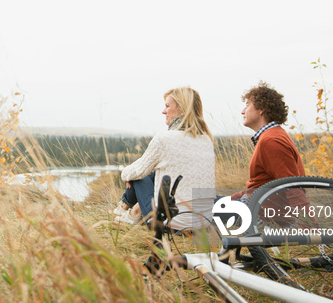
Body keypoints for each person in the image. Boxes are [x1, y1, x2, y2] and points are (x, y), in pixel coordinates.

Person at [114, 86, 216, 230]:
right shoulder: (206, 139)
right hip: (203, 223)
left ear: (182, 108)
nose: (163, 111)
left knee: (137, 176)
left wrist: (128, 174)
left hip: (171, 224)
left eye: (167, 106)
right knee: (156, 172)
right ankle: (132, 212)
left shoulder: (165, 139)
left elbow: (133, 173)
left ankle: (126, 208)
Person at [230, 81, 306, 201]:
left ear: (261, 109)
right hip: (256, 203)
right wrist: (232, 199)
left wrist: (306, 219)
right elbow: (260, 184)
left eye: (248, 105)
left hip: (259, 211)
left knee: (196, 207)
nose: (243, 111)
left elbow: (293, 188)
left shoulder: (271, 140)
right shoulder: (272, 135)